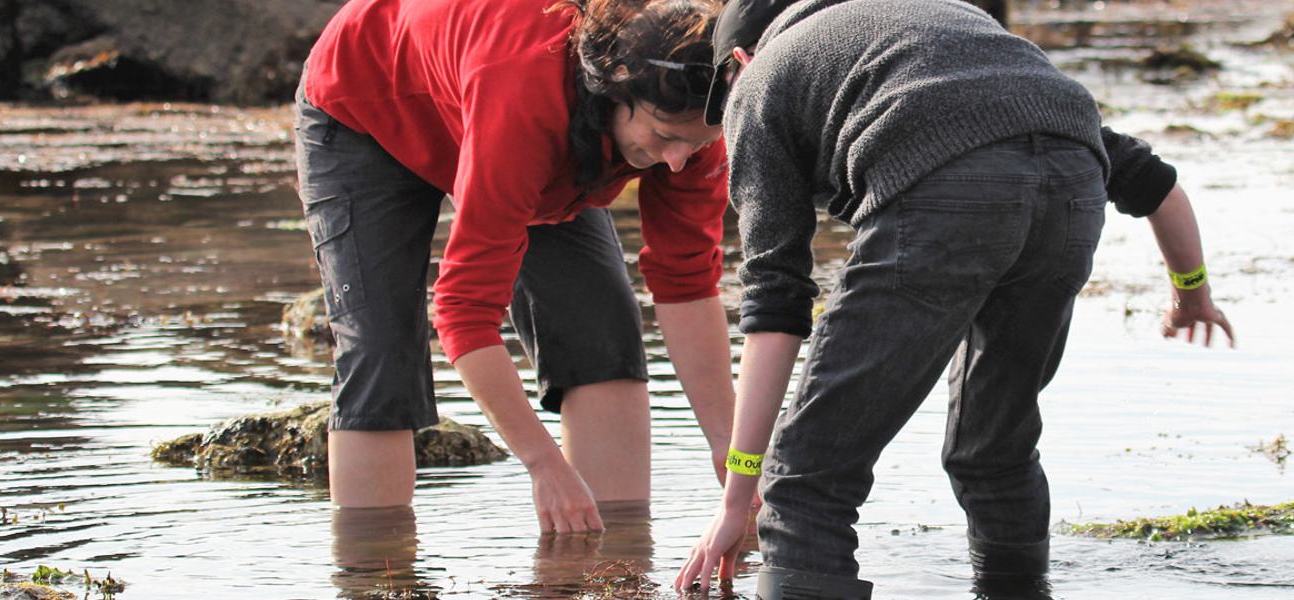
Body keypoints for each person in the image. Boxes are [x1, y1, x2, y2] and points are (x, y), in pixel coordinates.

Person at [674, 0, 1236, 596]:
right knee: (993, 450)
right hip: (1073, 183)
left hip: (944, 191)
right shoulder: (939, 27)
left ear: (739, 57)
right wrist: (1192, 293)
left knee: (808, 475)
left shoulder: (759, 80)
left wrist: (739, 495)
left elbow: (774, 299)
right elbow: (1154, 183)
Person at [293, 0, 740, 532]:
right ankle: (375, 578)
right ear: (614, 89)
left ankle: (617, 563)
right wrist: (542, 464)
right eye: (665, 137)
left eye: (698, 143)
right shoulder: (527, 103)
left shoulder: (694, 121)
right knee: (382, 350)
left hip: (515, 111)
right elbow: (463, 310)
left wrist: (733, 454)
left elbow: (687, 280)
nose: (676, 163)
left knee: (600, 327)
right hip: (367, 104)